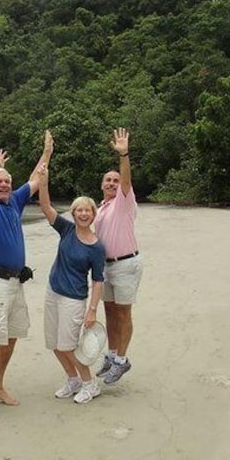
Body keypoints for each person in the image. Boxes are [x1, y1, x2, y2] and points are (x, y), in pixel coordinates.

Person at [0, 110, 52, 422]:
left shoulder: (14, 201)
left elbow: (35, 178)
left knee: (12, 335)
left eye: (6, 180)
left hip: (15, 282)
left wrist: (45, 153)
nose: (3, 184)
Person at [36, 157, 106, 404]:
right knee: (54, 344)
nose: (83, 213)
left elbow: (98, 281)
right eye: (79, 210)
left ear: (93, 214)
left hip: (74, 299)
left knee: (69, 346)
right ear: (74, 213)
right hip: (52, 292)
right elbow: (45, 206)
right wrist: (43, 182)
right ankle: (73, 380)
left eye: (88, 210)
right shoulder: (65, 229)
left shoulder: (97, 247)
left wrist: (92, 310)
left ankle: (90, 384)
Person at [94, 128, 142, 385]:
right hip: (106, 267)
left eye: (115, 180)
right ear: (101, 185)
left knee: (123, 314)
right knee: (109, 312)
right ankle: (112, 355)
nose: (112, 183)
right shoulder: (101, 208)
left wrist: (123, 155)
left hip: (125, 264)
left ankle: (122, 360)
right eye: (107, 180)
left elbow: (126, 181)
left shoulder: (124, 201)